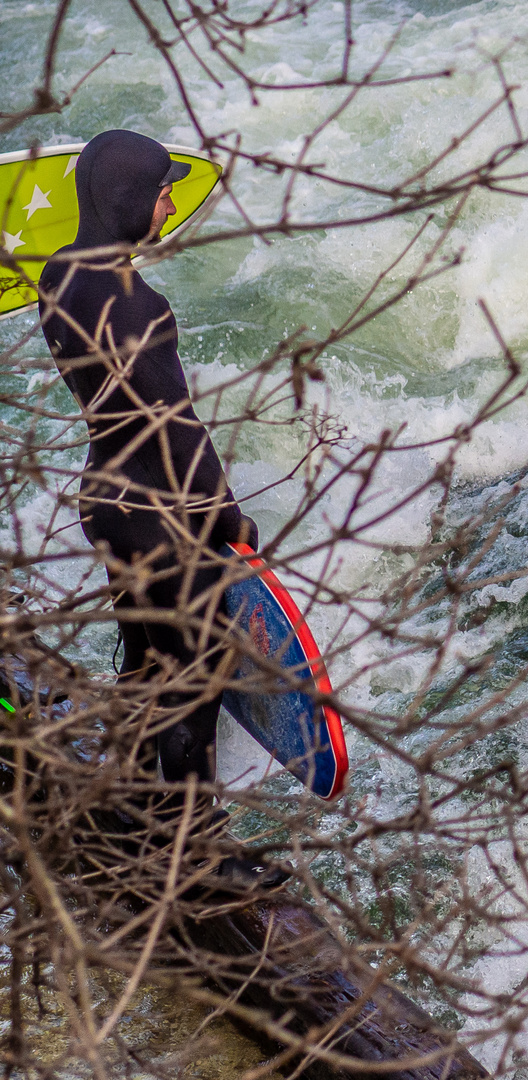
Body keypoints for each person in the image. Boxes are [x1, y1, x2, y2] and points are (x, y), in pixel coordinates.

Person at [38, 130, 277, 888]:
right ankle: (195, 855)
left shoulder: (59, 276)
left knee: (146, 661)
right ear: (127, 200)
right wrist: (227, 517)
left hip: (104, 496)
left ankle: (139, 813)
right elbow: (174, 429)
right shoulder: (136, 305)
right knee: (196, 677)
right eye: (163, 191)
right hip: (160, 511)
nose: (172, 203)